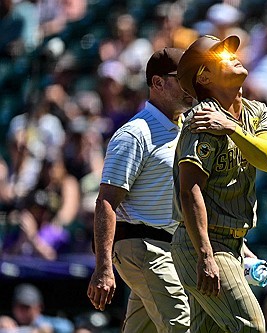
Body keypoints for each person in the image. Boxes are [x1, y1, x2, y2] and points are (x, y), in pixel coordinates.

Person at [172, 34, 267, 332]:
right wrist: (205, 255)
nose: (231, 56)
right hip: (204, 245)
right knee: (251, 327)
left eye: (230, 51)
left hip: (231, 243)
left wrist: (231, 128)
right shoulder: (202, 120)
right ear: (204, 77)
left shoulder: (256, 112)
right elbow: (189, 189)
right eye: (219, 55)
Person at [87, 47, 192, 333]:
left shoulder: (185, 129)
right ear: (158, 83)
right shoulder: (135, 133)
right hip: (142, 245)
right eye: (182, 77)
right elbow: (106, 202)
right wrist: (103, 267)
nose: (191, 85)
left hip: (170, 247)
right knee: (182, 323)